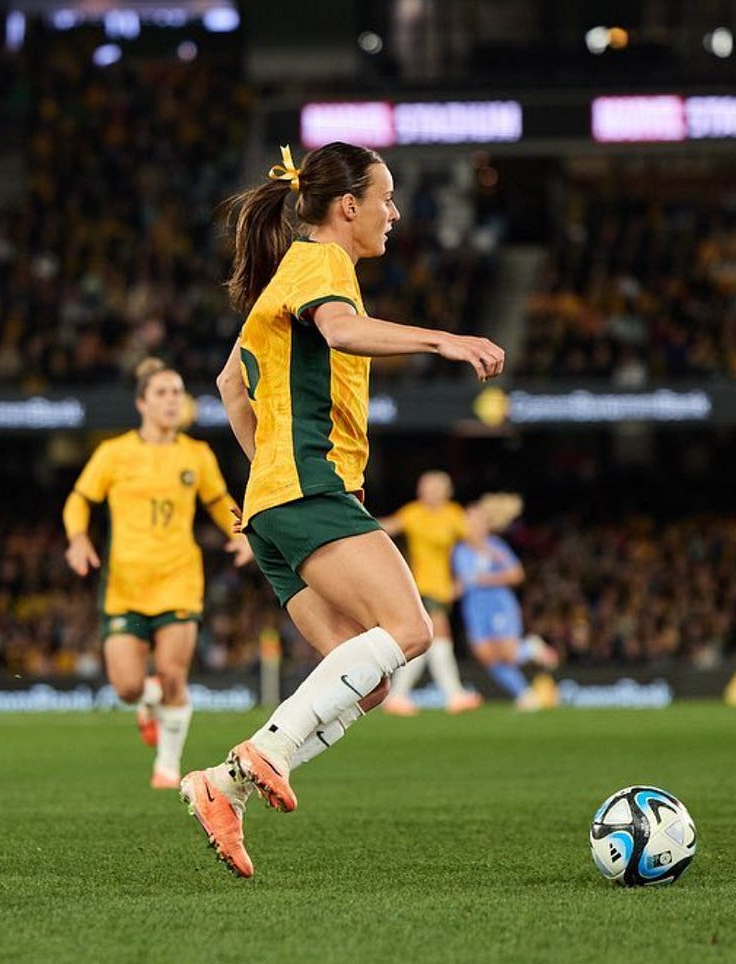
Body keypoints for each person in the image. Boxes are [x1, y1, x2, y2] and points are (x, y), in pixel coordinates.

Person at [179, 142, 506, 878]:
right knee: (412, 629)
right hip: (307, 490)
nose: (393, 213)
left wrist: (262, 468)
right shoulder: (322, 264)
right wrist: (444, 340)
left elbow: (231, 385)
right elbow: (341, 331)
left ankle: (223, 787)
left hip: (274, 502)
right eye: (385, 199)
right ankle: (265, 752)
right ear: (347, 206)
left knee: (371, 677)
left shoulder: (287, 276)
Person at [63, 358, 252, 787]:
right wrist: (77, 539)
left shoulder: (196, 454)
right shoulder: (114, 453)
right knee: (128, 688)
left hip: (178, 579)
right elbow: (79, 499)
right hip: (125, 585)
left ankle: (167, 767)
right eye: (162, 393)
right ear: (142, 403)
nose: (172, 400)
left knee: (172, 674)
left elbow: (218, 499)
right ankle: (146, 704)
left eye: (177, 392)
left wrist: (240, 532)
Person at [377, 471, 483, 716]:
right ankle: (453, 694)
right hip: (421, 587)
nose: (427, 491)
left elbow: (473, 538)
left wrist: (483, 517)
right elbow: (388, 527)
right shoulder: (414, 513)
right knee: (439, 635)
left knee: (428, 640)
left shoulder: (453, 514)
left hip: (443, 589)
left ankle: (400, 696)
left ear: (446, 491)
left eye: (433, 487)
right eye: (425, 487)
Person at [451, 494, 555, 710]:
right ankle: (526, 694)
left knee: (507, 654)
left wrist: (486, 579)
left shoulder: (494, 547)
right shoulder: (459, 551)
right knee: (486, 657)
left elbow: (517, 574)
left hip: (498, 603)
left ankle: (531, 649)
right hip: (474, 609)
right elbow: (461, 582)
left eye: (474, 520)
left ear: (485, 525)